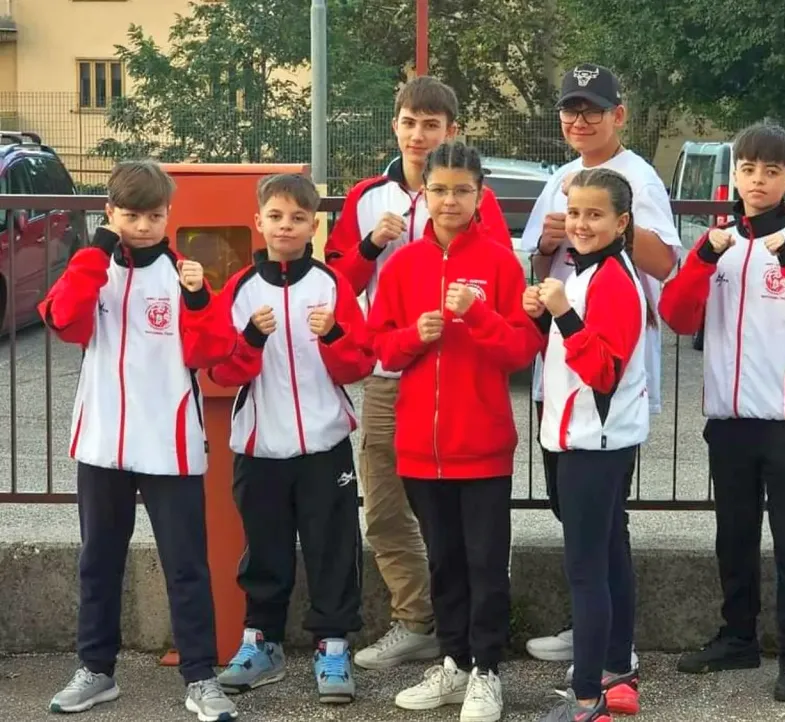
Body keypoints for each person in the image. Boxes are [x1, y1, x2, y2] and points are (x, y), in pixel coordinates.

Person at [39, 160, 240, 721]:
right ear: (110, 213)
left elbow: (210, 353)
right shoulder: (92, 268)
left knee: (186, 566)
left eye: (154, 215)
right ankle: (96, 670)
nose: (144, 226)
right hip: (102, 440)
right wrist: (95, 251)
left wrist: (197, 300)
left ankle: (201, 677)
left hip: (168, 445)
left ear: (168, 215)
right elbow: (63, 319)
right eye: (131, 216)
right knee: (98, 561)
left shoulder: (183, 275)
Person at [324, 75, 512, 671]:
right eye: (409, 122)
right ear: (395, 126)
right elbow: (337, 283)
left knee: (464, 524)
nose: (418, 134)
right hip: (391, 371)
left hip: (462, 376)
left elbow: (499, 276)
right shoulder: (366, 197)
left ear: (451, 130)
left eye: (431, 125)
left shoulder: (477, 200)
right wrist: (369, 247)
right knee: (385, 506)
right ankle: (415, 620)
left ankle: (468, 641)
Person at [661, 123, 785, 703]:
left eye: (771, 171)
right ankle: (737, 637)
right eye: (749, 170)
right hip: (728, 419)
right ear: (735, 176)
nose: (759, 181)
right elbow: (677, 317)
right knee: (734, 537)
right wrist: (702, 258)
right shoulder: (718, 244)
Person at [367, 141, 544, 722]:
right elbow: (379, 346)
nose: (449, 201)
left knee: (486, 565)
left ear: (479, 195)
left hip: (483, 445)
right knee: (443, 562)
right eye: (439, 190)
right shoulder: (403, 265)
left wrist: (478, 314)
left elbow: (520, 348)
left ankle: (487, 671)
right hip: (420, 448)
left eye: (462, 191)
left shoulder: (499, 262)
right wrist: (413, 336)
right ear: (424, 193)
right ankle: (454, 663)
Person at [521, 62, 679, 690]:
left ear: (619, 115)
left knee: (601, 532)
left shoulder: (637, 178)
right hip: (563, 374)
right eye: (570, 108)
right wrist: (550, 243)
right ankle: (599, 634)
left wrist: (609, 223)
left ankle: (609, 650)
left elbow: (665, 262)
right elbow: (539, 259)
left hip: (605, 380)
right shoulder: (558, 178)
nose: (580, 119)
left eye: (592, 108)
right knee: (582, 523)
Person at [210, 174, 375, 704]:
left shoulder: (332, 285)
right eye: (276, 216)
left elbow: (358, 365)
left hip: (325, 445)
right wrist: (251, 338)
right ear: (258, 221)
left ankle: (333, 645)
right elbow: (222, 371)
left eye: (298, 218)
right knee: (266, 550)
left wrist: (333, 335)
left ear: (313, 226)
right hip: (260, 446)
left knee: (333, 547)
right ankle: (262, 643)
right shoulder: (240, 289)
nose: (286, 226)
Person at [525, 168, 649, 722]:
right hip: (582, 437)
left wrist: (561, 313)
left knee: (586, 568)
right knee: (609, 553)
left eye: (595, 214)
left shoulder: (614, 279)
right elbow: (567, 353)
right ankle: (617, 672)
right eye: (574, 212)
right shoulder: (587, 271)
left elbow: (603, 371)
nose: (580, 223)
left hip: (593, 444)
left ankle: (586, 698)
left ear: (621, 223)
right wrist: (541, 318)